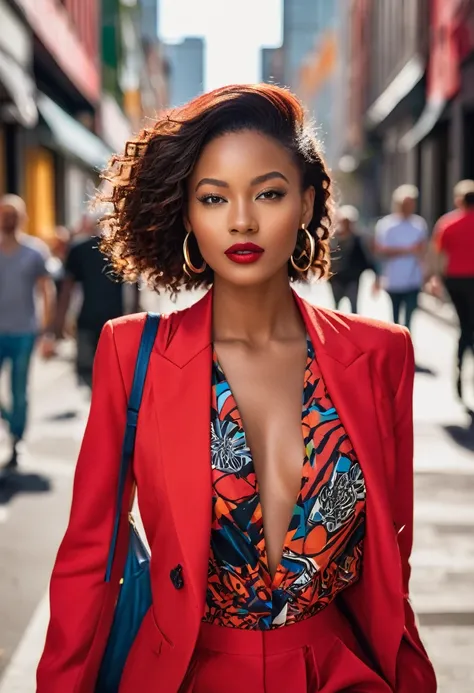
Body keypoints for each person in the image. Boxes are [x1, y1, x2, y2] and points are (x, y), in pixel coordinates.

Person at [37, 85, 436, 693]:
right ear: (188, 213)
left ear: (305, 203)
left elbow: (390, 565)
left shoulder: (382, 355)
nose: (242, 219)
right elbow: (91, 560)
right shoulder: (131, 353)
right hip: (187, 674)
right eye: (214, 197)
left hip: (342, 674)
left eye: (269, 193)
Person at [53, 212, 140, 389]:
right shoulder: (119, 249)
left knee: (89, 373)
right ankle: (105, 407)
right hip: (115, 319)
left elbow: (67, 290)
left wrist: (59, 322)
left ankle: (99, 406)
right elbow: (134, 287)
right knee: (113, 373)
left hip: (90, 319)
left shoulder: (81, 249)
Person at [0, 195, 55, 470]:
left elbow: (47, 290)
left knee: (19, 390)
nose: (8, 218)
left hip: (24, 332)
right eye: (4, 213)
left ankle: (17, 441)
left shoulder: (35, 251)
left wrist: (47, 332)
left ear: (22, 217)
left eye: (13, 213)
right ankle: (11, 423)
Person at [429, 180, 474, 405]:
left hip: (455, 280)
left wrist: (435, 280)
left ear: (459, 200)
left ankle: (460, 364)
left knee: (464, 324)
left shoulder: (448, 223)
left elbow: (438, 255)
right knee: (469, 325)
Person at [374, 185, 428, 331]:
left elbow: (423, 250)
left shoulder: (419, 224)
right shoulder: (386, 224)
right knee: (396, 317)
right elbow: (381, 250)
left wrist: (427, 275)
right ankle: (398, 343)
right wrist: (408, 250)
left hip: (413, 278)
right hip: (394, 279)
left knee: (410, 315)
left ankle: (408, 343)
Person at [329, 205, 376, 313]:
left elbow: (366, 259)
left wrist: (375, 276)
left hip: (353, 280)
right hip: (337, 280)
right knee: (336, 310)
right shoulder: (334, 240)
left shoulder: (358, 240)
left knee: (354, 310)